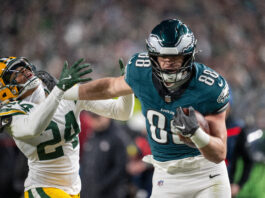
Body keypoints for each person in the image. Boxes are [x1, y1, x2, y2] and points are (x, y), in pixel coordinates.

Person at [69, 19, 231, 197]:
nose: (169, 63)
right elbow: (109, 87)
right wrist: (68, 92)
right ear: (153, 57)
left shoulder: (209, 87)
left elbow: (219, 153)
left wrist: (196, 134)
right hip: (166, 176)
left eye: (175, 58)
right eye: (163, 58)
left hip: (206, 175)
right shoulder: (140, 71)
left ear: (189, 56)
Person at [0, 57, 134, 198]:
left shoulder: (64, 92)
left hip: (72, 190)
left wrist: (127, 87)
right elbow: (33, 127)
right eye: (17, 73)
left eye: (25, 68)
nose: (26, 72)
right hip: (43, 189)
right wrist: (59, 91)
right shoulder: (12, 111)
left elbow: (121, 112)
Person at [80, 113, 129, 198]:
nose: (95, 121)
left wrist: (101, 185)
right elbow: (86, 162)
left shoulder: (117, 136)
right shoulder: (92, 135)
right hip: (88, 192)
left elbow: (120, 168)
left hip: (109, 193)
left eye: (97, 117)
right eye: (92, 118)